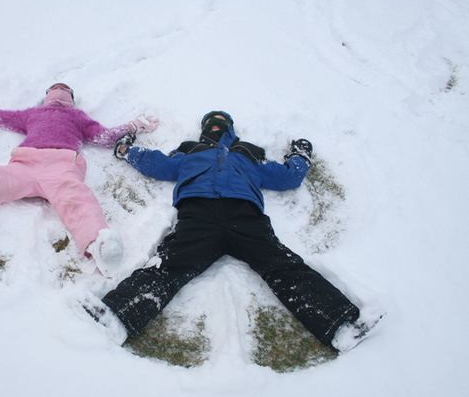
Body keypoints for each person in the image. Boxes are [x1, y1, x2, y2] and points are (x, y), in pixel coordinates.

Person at [83, 110, 380, 352]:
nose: (215, 126)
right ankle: (117, 315)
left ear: (230, 129)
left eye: (220, 123)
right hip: (197, 215)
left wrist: (300, 156)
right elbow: (157, 163)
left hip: (244, 216)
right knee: (169, 266)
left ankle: (341, 324)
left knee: (282, 265)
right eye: (211, 123)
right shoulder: (190, 151)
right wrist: (128, 151)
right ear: (203, 130)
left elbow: (287, 177)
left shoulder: (247, 155)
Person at [0, 83, 159, 272]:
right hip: (25, 164)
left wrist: (133, 126)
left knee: (76, 198)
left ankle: (98, 245)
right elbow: (1, 117)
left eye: (64, 90)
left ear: (71, 100)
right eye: (54, 89)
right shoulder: (32, 114)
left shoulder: (79, 118)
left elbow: (104, 137)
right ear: (45, 98)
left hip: (61, 166)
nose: (58, 92)